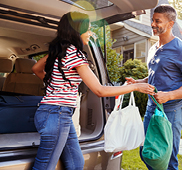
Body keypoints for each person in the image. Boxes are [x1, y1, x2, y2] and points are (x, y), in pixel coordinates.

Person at [31, 11, 155, 170]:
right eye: (88, 29)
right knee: (44, 166)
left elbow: (35, 68)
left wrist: (55, 85)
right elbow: (100, 90)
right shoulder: (75, 55)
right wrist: (136, 86)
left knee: (76, 163)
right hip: (57, 114)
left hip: (52, 113)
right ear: (76, 30)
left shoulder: (57, 52)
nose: (90, 33)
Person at [126, 4, 182, 170]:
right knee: (148, 154)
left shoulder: (181, 50)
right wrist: (137, 82)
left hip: (171, 112)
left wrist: (169, 95)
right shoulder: (154, 48)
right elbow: (155, 76)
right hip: (151, 108)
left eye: (157, 21)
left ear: (170, 23)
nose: (153, 24)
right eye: (152, 20)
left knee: (166, 160)